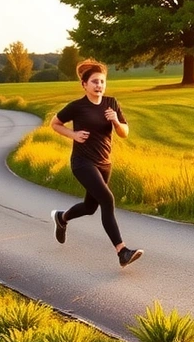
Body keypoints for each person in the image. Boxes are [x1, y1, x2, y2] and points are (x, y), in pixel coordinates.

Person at [49, 59, 143, 267]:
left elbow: (124, 133)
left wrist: (115, 120)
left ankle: (62, 218)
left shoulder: (111, 103)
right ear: (84, 85)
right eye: (94, 81)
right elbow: (54, 123)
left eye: (102, 81)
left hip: (104, 163)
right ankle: (122, 251)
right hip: (82, 162)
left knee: (90, 207)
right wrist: (73, 134)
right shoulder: (77, 107)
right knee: (107, 200)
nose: (99, 85)